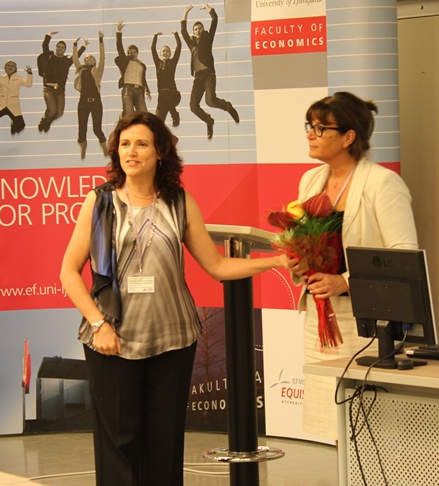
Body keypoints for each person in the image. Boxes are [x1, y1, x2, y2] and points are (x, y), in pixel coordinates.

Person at [60, 111, 288, 486]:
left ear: (161, 151)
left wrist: (276, 261)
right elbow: (68, 272)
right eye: (125, 144)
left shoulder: (179, 201)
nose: (131, 152)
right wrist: (99, 325)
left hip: (173, 340)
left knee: (164, 446)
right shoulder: (99, 202)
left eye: (141, 144)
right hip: (112, 339)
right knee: (119, 446)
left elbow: (217, 265)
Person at [288, 92, 418, 440]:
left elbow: (404, 254)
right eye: (309, 126)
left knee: (366, 427)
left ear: (348, 137)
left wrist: (344, 281)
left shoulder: (382, 183)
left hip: (364, 320)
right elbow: (308, 240)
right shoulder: (310, 180)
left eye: (320, 128)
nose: (310, 134)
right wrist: (299, 262)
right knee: (329, 423)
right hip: (320, 316)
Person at [180, 4, 239, 139]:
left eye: (200, 28)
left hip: (208, 74)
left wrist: (208, 8)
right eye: (196, 29)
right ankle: (209, 121)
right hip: (198, 77)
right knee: (193, 106)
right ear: (193, 32)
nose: (198, 30)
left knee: (210, 101)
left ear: (203, 30)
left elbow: (215, 20)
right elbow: (183, 31)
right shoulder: (191, 43)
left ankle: (228, 107)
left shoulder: (207, 39)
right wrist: (185, 13)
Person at [37, 31, 86, 132]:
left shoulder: (66, 61)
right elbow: (45, 45)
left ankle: (49, 121)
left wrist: (84, 46)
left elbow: (76, 56)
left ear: (64, 50)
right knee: (52, 110)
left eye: (62, 47)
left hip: (60, 90)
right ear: (56, 48)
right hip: (48, 88)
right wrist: (49, 35)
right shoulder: (50, 57)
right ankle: (44, 120)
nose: (60, 48)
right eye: (58, 46)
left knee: (59, 113)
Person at [73, 31, 107, 160]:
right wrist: (75, 44)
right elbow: (75, 59)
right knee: (82, 130)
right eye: (86, 58)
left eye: (91, 57)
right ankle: (83, 146)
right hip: (83, 102)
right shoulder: (81, 70)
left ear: (94, 61)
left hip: (96, 102)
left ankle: (104, 145)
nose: (88, 59)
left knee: (97, 129)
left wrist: (101, 39)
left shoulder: (98, 70)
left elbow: (102, 57)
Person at [0, 60, 33, 135]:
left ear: (15, 68)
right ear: (5, 68)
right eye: (8, 65)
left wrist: (29, 74)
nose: (10, 67)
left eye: (12, 66)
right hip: (1, 104)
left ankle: (13, 124)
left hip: (13, 105)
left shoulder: (19, 78)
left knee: (20, 125)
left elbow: (28, 84)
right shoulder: (1, 78)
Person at [114, 21, 151, 116]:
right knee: (129, 112)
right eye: (130, 53)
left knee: (143, 114)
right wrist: (119, 31)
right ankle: (123, 116)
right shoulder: (126, 62)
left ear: (137, 53)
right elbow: (119, 48)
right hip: (128, 88)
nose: (132, 54)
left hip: (139, 90)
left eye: (134, 52)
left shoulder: (142, 65)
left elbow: (143, 78)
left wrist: (147, 90)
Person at [150, 31, 182, 127]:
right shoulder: (158, 63)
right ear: (161, 53)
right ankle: (174, 114)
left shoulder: (173, 62)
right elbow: (152, 49)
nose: (165, 53)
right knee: (157, 122)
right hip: (162, 95)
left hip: (172, 93)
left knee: (166, 96)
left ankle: (174, 115)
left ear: (170, 54)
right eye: (163, 51)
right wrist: (155, 36)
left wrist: (176, 34)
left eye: (167, 51)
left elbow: (179, 46)